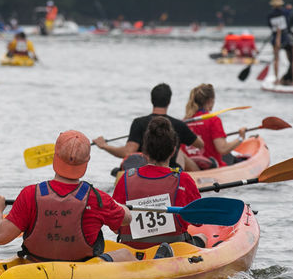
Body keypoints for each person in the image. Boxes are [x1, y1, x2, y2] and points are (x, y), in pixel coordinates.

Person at [0, 130, 135, 262]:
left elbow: (1, 237)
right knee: (125, 253)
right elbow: (126, 220)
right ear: (87, 160)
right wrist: (118, 206)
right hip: (82, 270)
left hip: (36, 266)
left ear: (55, 156)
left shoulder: (30, 194)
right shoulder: (97, 198)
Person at [112, 117, 202, 252]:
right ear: (173, 151)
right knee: (203, 237)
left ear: (145, 151)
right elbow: (198, 221)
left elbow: (114, 225)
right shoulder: (183, 179)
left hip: (131, 252)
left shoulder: (126, 178)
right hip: (173, 250)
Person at [93, 83, 203, 171]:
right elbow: (200, 144)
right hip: (170, 172)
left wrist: (104, 146)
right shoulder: (179, 125)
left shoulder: (139, 122)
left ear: (152, 100)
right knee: (181, 154)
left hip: (140, 171)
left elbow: (127, 152)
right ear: (169, 102)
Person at [181, 83, 247, 169]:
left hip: (190, 168)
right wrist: (240, 138)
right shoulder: (213, 120)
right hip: (211, 168)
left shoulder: (184, 122)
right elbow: (222, 149)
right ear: (210, 101)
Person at [266, 0, 293, 85]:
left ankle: (276, 79)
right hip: (286, 38)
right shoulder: (286, 12)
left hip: (275, 39)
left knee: (276, 59)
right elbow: (291, 18)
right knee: (292, 59)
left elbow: (270, 26)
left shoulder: (270, 15)